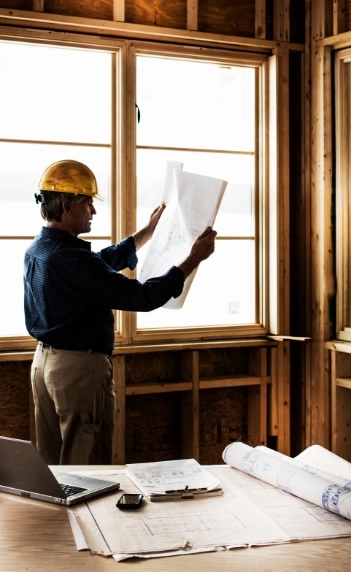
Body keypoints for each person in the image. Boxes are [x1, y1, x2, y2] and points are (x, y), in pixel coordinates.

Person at [23, 159, 216, 465]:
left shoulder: (41, 249)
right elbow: (143, 296)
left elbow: (98, 264)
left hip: (45, 364)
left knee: (53, 463)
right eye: (88, 203)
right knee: (87, 464)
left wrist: (147, 233)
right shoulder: (71, 260)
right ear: (68, 206)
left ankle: (57, 515)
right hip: (77, 370)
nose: (94, 211)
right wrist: (193, 259)